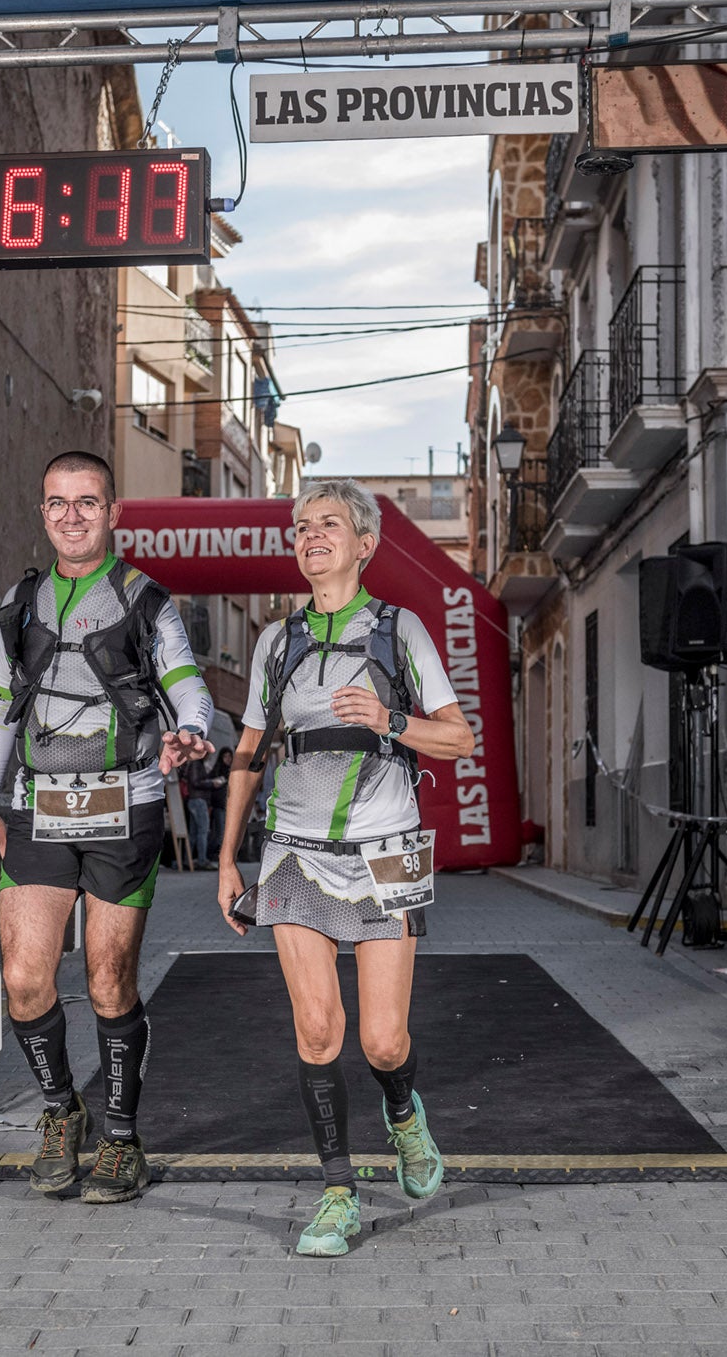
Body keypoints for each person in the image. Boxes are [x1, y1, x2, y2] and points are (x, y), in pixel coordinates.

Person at [215, 479, 475, 1257]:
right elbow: (248, 755)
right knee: (319, 1028)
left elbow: (459, 739)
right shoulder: (276, 640)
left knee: (384, 1039)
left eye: (329, 523)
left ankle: (404, 1113)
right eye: (301, 524)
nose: (311, 533)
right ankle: (337, 1192)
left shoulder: (404, 632)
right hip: (293, 853)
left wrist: (392, 719)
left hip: (388, 850)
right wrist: (228, 859)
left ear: (365, 544)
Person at [0, 450, 214, 1204]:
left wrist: (194, 728)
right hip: (38, 808)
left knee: (108, 980)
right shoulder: (20, 600)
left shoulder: (147, 601)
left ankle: (120, 1136)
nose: (71, 515)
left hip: (127, 805)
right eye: (57, 503)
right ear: (42, 512)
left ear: (114, 512)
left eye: (87, 502)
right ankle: (59, 1110)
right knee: (23, 978)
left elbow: (184, 682)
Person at [180, 754, 213, 868]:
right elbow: (195, 782)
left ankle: (187, 859)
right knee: (203, 831)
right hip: (198, 800)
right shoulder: (196, 764)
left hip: (194, 800)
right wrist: (211, 783)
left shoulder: (194, 764)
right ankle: (202, 860)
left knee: (193, 833)